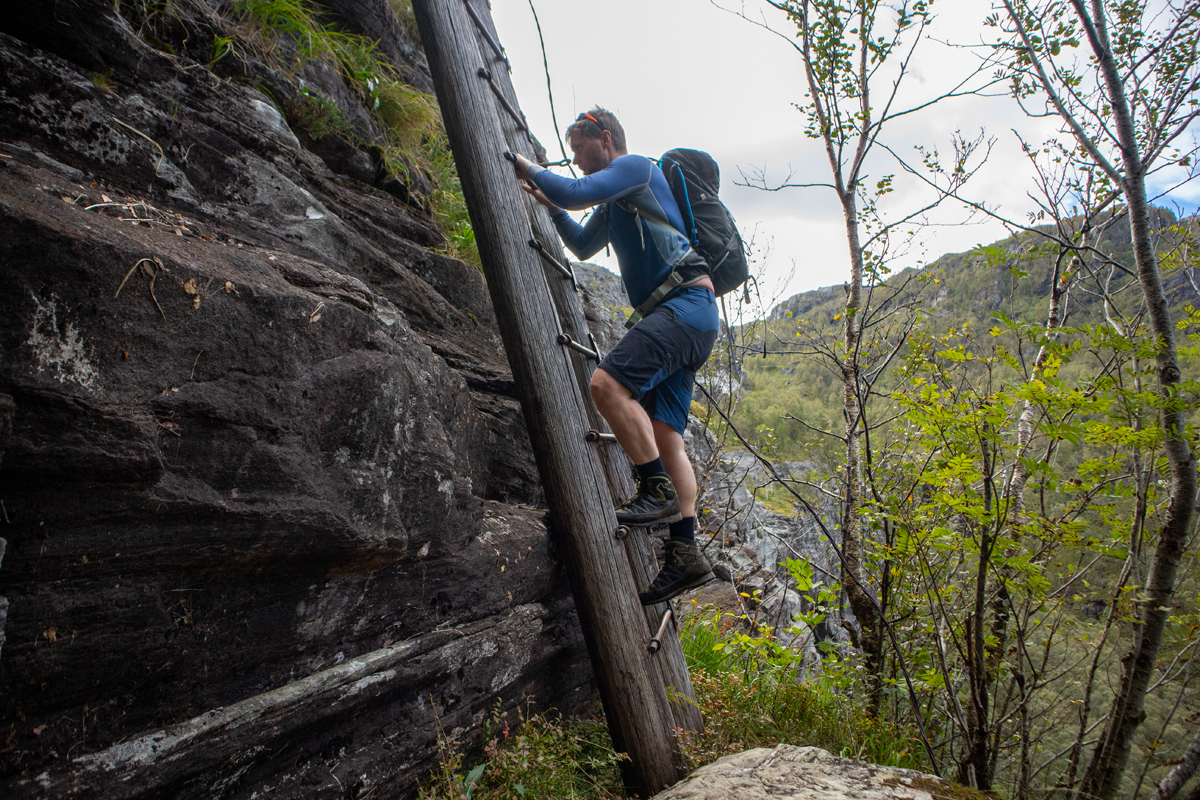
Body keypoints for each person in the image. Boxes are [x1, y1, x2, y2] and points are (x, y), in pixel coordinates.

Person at [510, 107, 717, 605]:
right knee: (667, 435)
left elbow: (575, 190)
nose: (579, 162)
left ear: (605, 138)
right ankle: (686, 551)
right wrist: (549, 203)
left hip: (682, 306)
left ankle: (655, 491)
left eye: (580, 149)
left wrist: (525, 165)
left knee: (606, 386)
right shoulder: (622, 197)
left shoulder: (636, 168)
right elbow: (582, 243)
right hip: (695, 314)